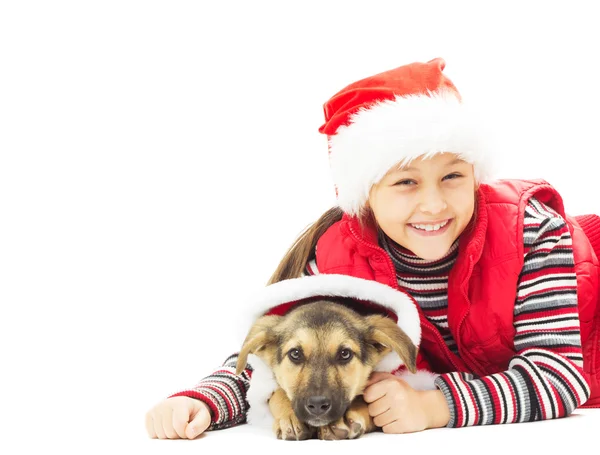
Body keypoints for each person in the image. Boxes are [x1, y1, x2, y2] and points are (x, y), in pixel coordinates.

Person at [145, 57, 600, 439]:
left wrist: (433, 408)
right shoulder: (338, 258)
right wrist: (202, 401)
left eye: (453, 176)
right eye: (405, 182)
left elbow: (558, 378)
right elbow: (274, 352)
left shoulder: (533, 235)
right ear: (366, 193)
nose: (433, 203)